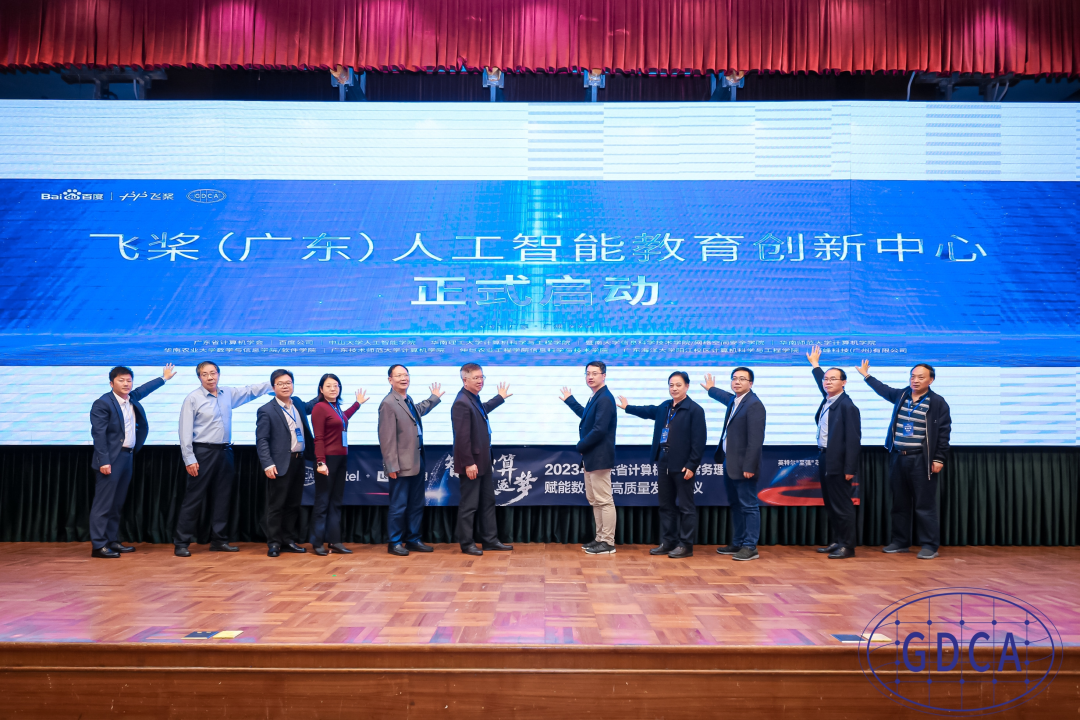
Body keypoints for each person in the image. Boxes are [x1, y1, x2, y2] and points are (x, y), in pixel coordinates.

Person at [174, 361, 273, 557]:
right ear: (199, 377)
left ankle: (219, 540)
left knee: (223, 497)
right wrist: (189, 458)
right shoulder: (192, 398)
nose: (210, 377)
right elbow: (184, 431)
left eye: (213, 373)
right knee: (194, 498)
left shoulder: (227, 393)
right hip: (202, 452)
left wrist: (274, 383)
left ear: (219, 374)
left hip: (225, 451)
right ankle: (181, 542)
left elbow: (249, 391)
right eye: (205, 374)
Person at [857, 360, 952, 560]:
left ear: (931, 380)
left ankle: (929, 545)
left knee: (924, 505)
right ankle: (900, 542)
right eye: (913, 376)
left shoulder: (937, 402)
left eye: (920, 377)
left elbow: (944, 433)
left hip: (921, 459)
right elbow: (883, 390)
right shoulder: (902, 395)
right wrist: (866, 375)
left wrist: (939, 458)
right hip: (898, 457)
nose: (915, 380)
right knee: (899, 503)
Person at [88, 364, 176, 558]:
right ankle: (99, 545)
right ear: (111, 383)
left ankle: (112, 541)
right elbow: (98, 435)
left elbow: (144, 389)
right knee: (103, 504)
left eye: (129, 380)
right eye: (121, 380)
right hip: (111, 459)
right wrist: (104, 461)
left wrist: (164, 378)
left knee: (117, 503)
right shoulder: (103, 403)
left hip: (127, 456)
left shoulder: (131, 398)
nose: (126, 384)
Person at [617, 371, 706, 559]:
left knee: (686, 507)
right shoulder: (665, 407)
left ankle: (686, 545)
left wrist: (692, 465)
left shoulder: (695, 410)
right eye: (671, 385)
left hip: (683, 466)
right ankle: (668, 542)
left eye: (678, 385)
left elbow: (699, 441)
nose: (674, 388)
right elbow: (648, 411)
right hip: (664, 462)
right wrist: (627, 407)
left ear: (687, 386)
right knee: (666, 506)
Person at [378, 364, 444, 556]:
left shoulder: (407, 400)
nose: (403, 378)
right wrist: (391, 465)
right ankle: (395, 542)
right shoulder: (388, 403)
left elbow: (418, 410)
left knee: (416, 503)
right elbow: (386, 438)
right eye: (398, 375)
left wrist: (434, 398)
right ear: (390, 380)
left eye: (406, 375)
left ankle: (413, 539)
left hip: (416, 460)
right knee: (399, 505)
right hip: (400, 465)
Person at [703, 367, 766, 562]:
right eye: (734, 378)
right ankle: (738, 542)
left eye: (742, 379)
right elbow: (725, 397)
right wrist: (711, 389)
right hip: (730, 462)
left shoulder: (754, 404)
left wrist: (749, 466)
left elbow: (756, 440)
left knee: (749, 506)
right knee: (736, 504)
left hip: (744, 466)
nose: (737, 382)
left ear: (751, 383)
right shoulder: (736, 400)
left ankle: (750, 546)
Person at [451, 363, 514, 556]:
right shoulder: (461, 402)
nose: (480, 381)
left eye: (482, 377)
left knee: (487, 502)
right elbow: (462, 438)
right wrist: (469, 463)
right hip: (472, 464)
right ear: (465, 380)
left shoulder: (473, 398)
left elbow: (483, 409)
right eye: (476, 378)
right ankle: (467, 543)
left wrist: (499, 398)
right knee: (469, 505)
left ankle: (490, 540)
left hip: (483, 462)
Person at [255, 369, 318, 558]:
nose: (285, 386)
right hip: (280, 463)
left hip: (299, 461)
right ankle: (274, 543)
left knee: (293, 504)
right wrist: (267, 464)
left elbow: (310, 406)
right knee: (276, 506)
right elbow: (262, 440)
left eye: (288, 383)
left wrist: (324, 390)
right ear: (273, 387)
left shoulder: (297, 403)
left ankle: (288, 540)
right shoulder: (266, 410)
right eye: (280, 383)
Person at [806, 347, 861, 559]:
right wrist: (815, 365)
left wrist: (850, 468)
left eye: (833, 379)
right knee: (831, 503)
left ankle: (848, 546)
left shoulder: (847, 406)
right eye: (826, 379)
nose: (827, 382)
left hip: (838, 461)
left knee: (842, 504)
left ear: (844, 382)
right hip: (825, 457)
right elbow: (822, 382)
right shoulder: (829, 400)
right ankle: (838, 540)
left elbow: (854, 440)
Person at [560, 360, 617, 555]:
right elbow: (586, 417)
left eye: (594, 373)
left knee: (604, 500)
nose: (590, 377)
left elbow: (599, 429)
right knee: (595, 500)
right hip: (592, 457)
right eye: (588, 373)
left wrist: (580, 445)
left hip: (599, 457)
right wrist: (570, 400)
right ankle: (600, 538)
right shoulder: (596, 396)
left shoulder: (605, 398)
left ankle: (608, 541)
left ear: (604, 376)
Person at [310, 374, 368, 556]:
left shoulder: (335, 407)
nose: (333, 389)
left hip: (341, 459)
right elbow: (318, 438)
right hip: (326, 460)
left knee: (336, 502)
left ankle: (334, 541)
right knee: (323, 502)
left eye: (336, 385)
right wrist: (321, 461)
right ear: (321, 389)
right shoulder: (319, 408)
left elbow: (343, 418)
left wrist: (357, 404)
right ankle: (317, 542)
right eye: (328, 386)